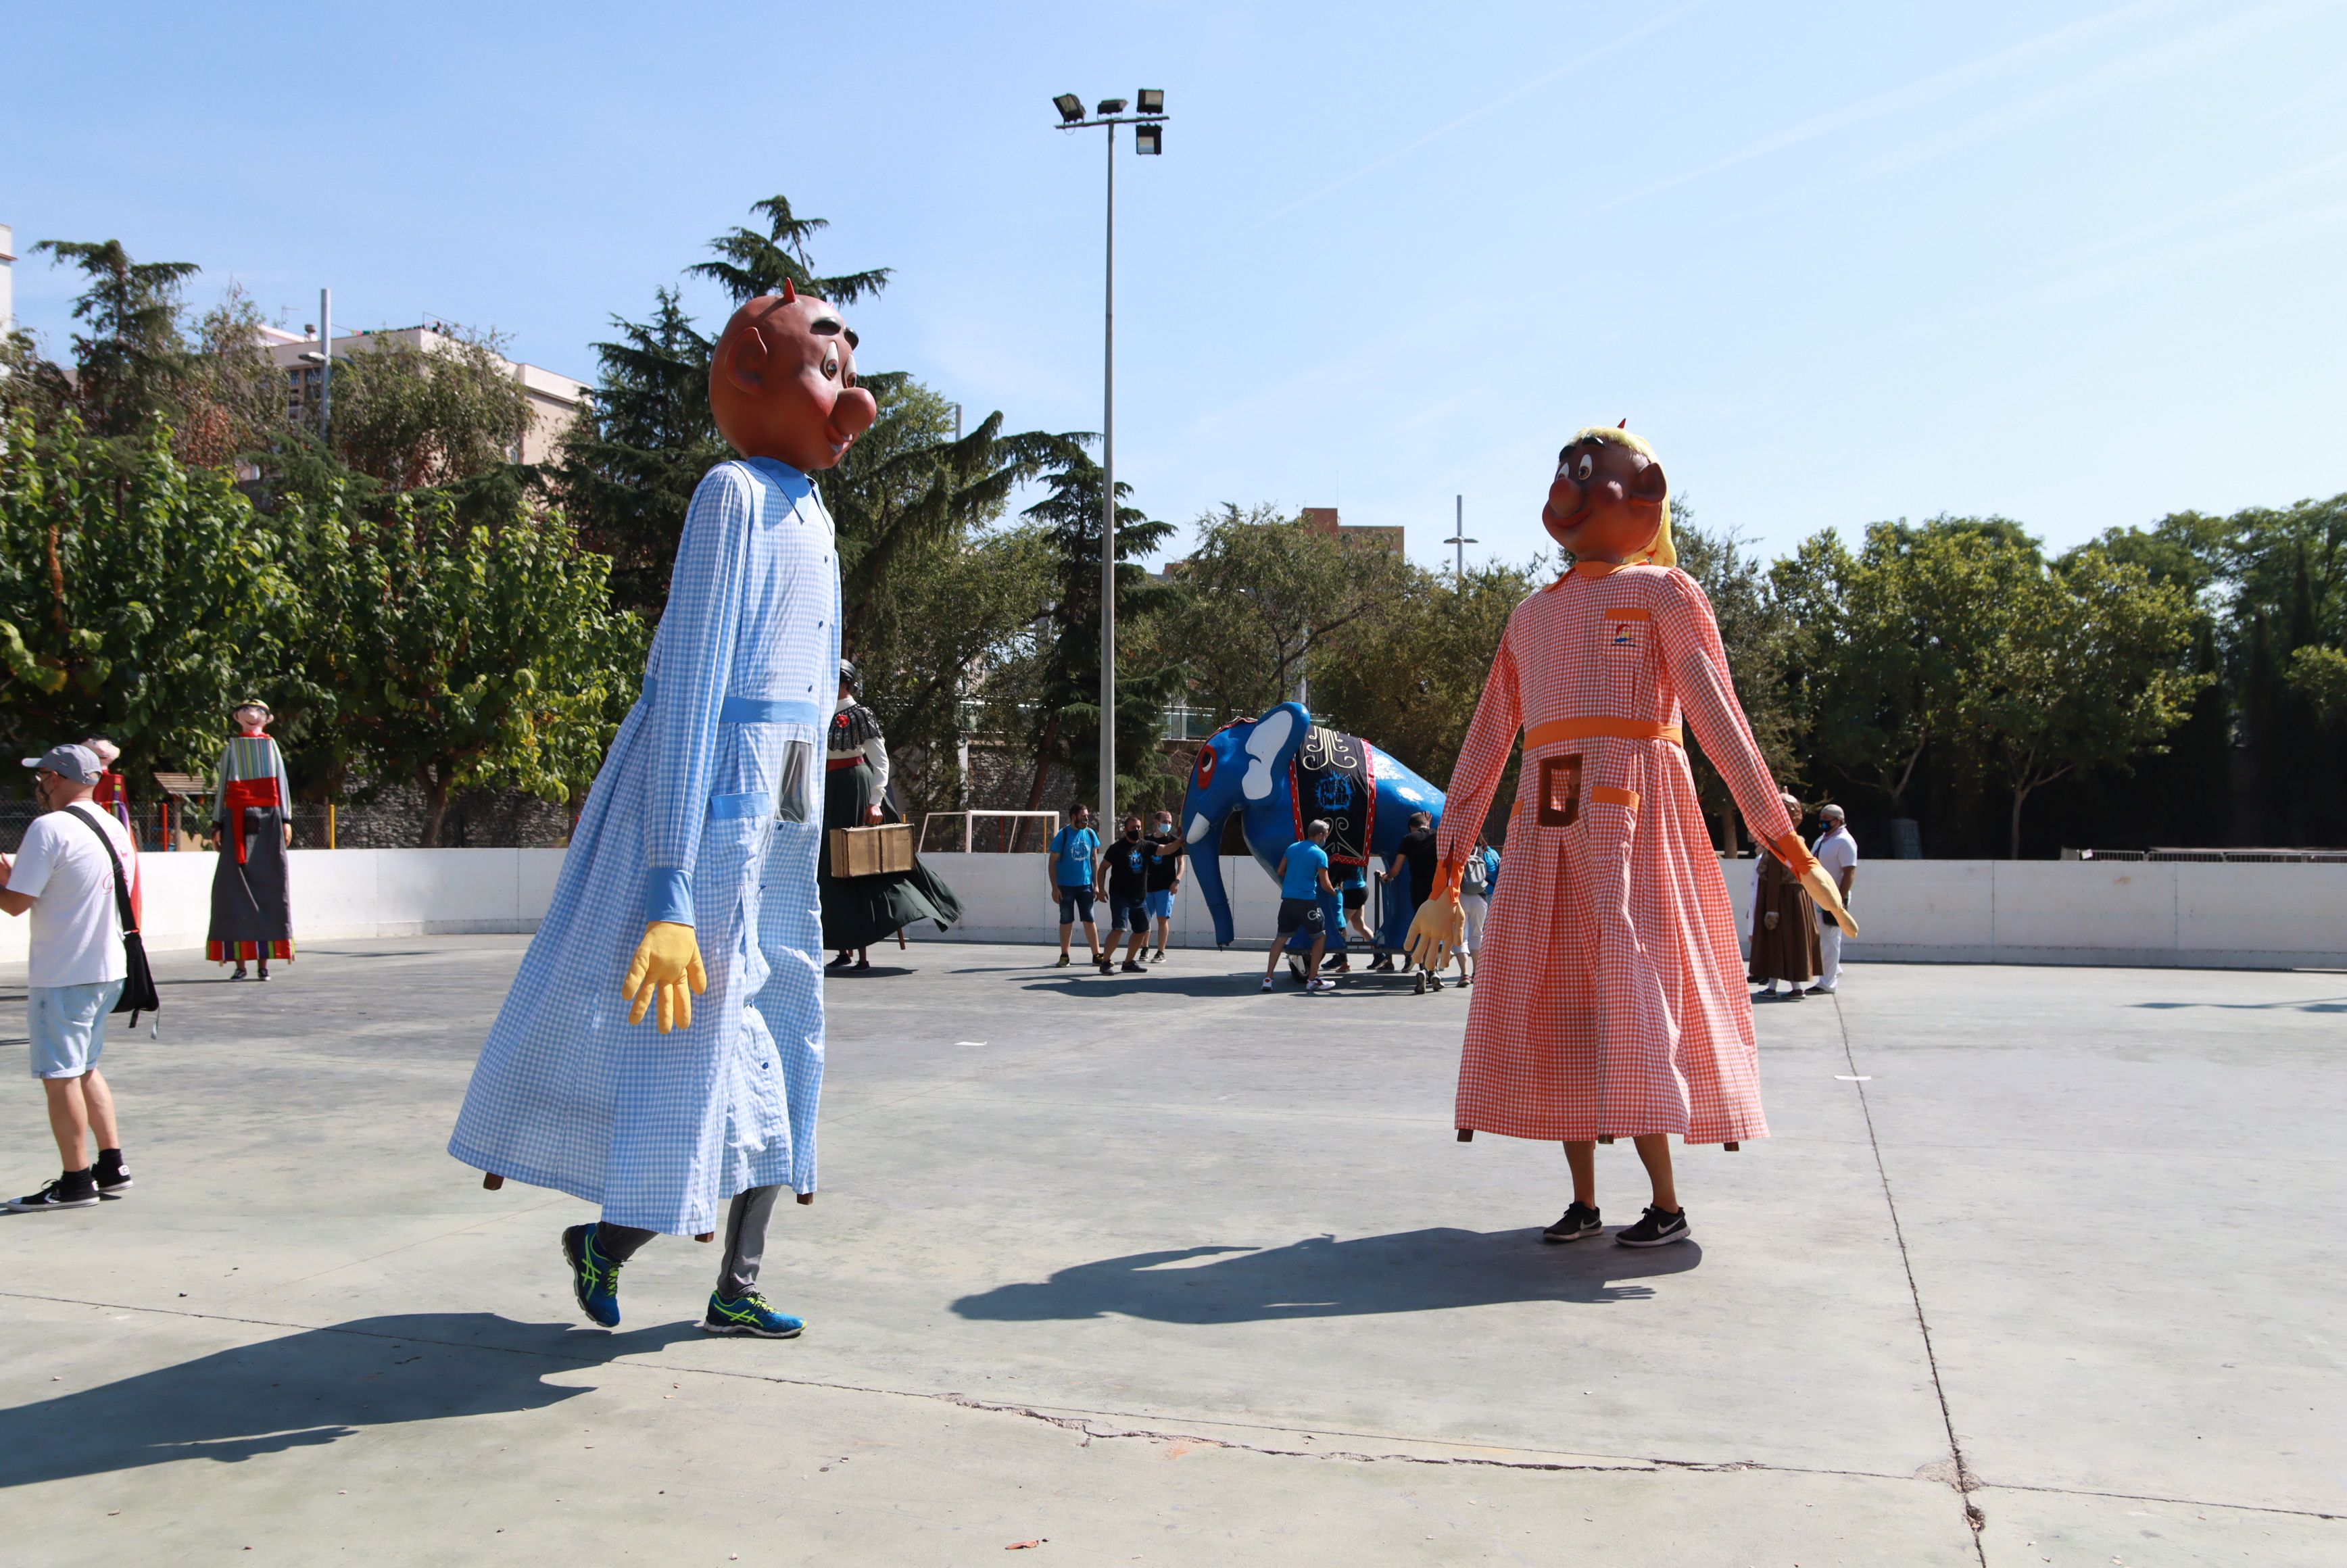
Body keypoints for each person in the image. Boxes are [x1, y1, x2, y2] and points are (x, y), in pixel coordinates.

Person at [449, 283, 879, 1339]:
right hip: (714, 802)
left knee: (788, 1030)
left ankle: (736, 1279)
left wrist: (828, 798)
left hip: (783, 801)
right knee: (694, 1046)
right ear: (751, 372)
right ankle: (615, 1237)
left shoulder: (815, 512)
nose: (849, 392)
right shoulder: (729, 496)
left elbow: (818, 690)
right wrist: (670, 875)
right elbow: (687, 687)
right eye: (827, 366)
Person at [1407, 425, 1856, 1251]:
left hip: (1635, 821)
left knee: (1638, 996)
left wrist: (1784, 843)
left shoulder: (1662, 594)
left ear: (1642, 493)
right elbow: (1483, 745)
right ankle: (1582, 1202)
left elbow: (1720, 720)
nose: (1569, 488)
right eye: (1563, 472)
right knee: (1561, 1011)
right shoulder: (1528, 618)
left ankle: (1664, 1200)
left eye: (1589, 472)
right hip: (1545, 828)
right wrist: (1445, 875)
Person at [1, 744, 138, 1212]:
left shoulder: (49, 827)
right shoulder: (112, 825)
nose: (39, 784)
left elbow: (17, 902)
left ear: (56, 778)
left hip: (64, 971)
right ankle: (111, 1164)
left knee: (59, 1076)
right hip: (107, 967)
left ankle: (77, 1181)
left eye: (42, 776)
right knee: (84, 1069)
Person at [818, 659, 963, 971]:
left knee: (860, 867)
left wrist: (875, 801)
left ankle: (863, 953)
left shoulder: (860, 714)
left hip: (856, 787)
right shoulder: (818, 712)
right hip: (827, 790)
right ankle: (843, 949)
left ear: (845, 682)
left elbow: (880, 761)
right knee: (830, 867)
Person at [207, 700, 294, 981]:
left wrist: (285, 819)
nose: (253, 716)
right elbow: (223, 785)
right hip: (236, 820)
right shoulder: (232, 747)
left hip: (269, 820)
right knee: (233, 891)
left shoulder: (271, 746)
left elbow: (281, 783)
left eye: (259, 713)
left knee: (270, 888)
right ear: (237, 717)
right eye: (246, 712)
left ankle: (264, 964)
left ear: (267, 719)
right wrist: (218, 822)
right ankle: (240, 965)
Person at [1749, 793, 1822, 1001]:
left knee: (1776, 942)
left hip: (1780, 899)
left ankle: (1775, 988)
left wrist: (1771, 908)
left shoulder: (1780, 844)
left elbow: (1774, 876)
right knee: (1792, 943)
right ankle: (1793, 987)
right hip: (1797, 899)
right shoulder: (1798, 841)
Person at [1261, 819, 1338, 994]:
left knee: (1280, 938)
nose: (1326, 838)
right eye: (1326, 836)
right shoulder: (1320, 854)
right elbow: (1326, 885)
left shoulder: (1292, 848)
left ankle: (1268, 978)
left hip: (1288, 900)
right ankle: (1312, 979)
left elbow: (1280, 871)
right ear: (1320, 835)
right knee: (1320, 937)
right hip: (1307, 901)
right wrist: (1336, 893)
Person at [1046, 805, 1103, 968]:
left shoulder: (1091, 834)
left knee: (1089, 919)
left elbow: (1094, 860)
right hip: (1065, 887)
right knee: (1066, 921)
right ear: (1073, 817)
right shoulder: (1063, 836)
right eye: (1083, 816)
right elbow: (1052, 863)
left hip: (1085, 886)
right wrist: (1054, 887)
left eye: (1087, 816)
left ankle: (1096, 954)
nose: (1086, 819)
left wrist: (1096, 885)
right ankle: (1065, 955)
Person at [1810, 804, 1858, 995]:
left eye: (1827, 819)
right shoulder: (1823, 840)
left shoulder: (1845, 842)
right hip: (1820, 896)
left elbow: (1849, 871)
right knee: (1823, 937)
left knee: (1830, 939)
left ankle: (1827, 982)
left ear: (1838, 820)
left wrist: (1840, 899)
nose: (1823, 822)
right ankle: (1834, 970)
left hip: (1834, 897)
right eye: (1822, 818)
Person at [1098, 813, 1153, 974]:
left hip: (1139, 898)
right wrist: (1101, 889)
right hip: (1120, 896)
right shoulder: (1116, 849)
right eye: (1133, 828)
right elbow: (1102, 868)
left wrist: (1179, 842)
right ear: (1125, 830)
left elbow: (1164, 849)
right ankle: (1106, 962)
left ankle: (1129, 962)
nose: (1136, 830)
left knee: (1142, 929)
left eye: (1138, 828)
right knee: (1119, 929)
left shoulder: (1145, 846)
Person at [1453, 831, 1499, 987]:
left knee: (1460, 936)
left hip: (1462, 897)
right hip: (1481, 897)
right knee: (1477, 935)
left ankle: (1464, 974)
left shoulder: (1459, 852)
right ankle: (1476, 973)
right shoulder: (1488, 852)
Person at [1142, 808, 1183, 962]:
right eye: (1165, 822)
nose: (1168, 825)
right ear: (1156, 822)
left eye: (1170, 822)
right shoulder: (1146, 840)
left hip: (1166, 887)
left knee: (1162, 919)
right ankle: (1144, 948)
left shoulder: (1174, 841)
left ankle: (1160, 952)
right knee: (1145, 919)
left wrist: (1177, 880)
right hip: (1147, 887)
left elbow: (1181, 864)